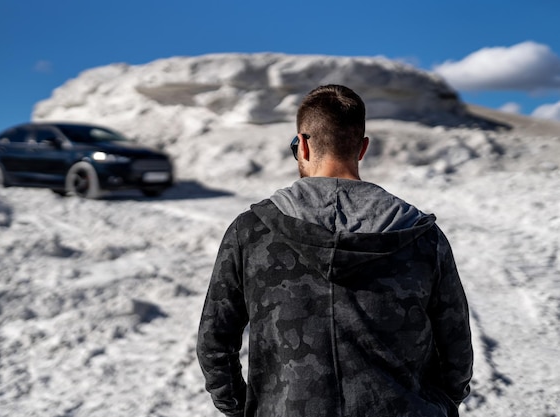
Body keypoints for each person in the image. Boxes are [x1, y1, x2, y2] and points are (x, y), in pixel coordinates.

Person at [197, 84, 473, 417]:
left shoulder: (252, 231)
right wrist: (439, 406)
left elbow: (214, 343)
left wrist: (246, 409)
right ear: (363, 148)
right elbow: (456, 349)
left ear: (302, 146)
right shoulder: (422, 237)